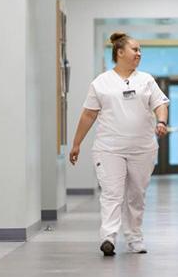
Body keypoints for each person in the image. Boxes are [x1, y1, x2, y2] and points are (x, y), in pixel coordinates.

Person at [69, 32, 169, 256]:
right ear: (120, 52)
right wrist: (76, 144)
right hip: (109, 148)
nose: (139, 53)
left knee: (136, 195)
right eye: (135, 49)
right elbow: (88, 115)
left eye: (140, 50)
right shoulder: (101, 82)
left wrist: (161, 121)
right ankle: (108, 237)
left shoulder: (146, 80)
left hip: (142, 148)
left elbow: (161, 103)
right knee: (112, 194)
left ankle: (134, 237)